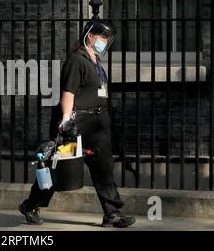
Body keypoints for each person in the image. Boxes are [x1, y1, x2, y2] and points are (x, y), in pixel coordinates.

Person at [19, 19, 136, 228]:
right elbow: (68, 92)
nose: (105, 41)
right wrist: (65, 119)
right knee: (61, 168)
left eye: (107, 38)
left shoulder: (95, 61)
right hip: (77, 122)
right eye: (103, 37)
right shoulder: (77, 60)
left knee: (103, 168)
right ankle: (30, 205)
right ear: (90, 35)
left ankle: (112, 213)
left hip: (97, 123)